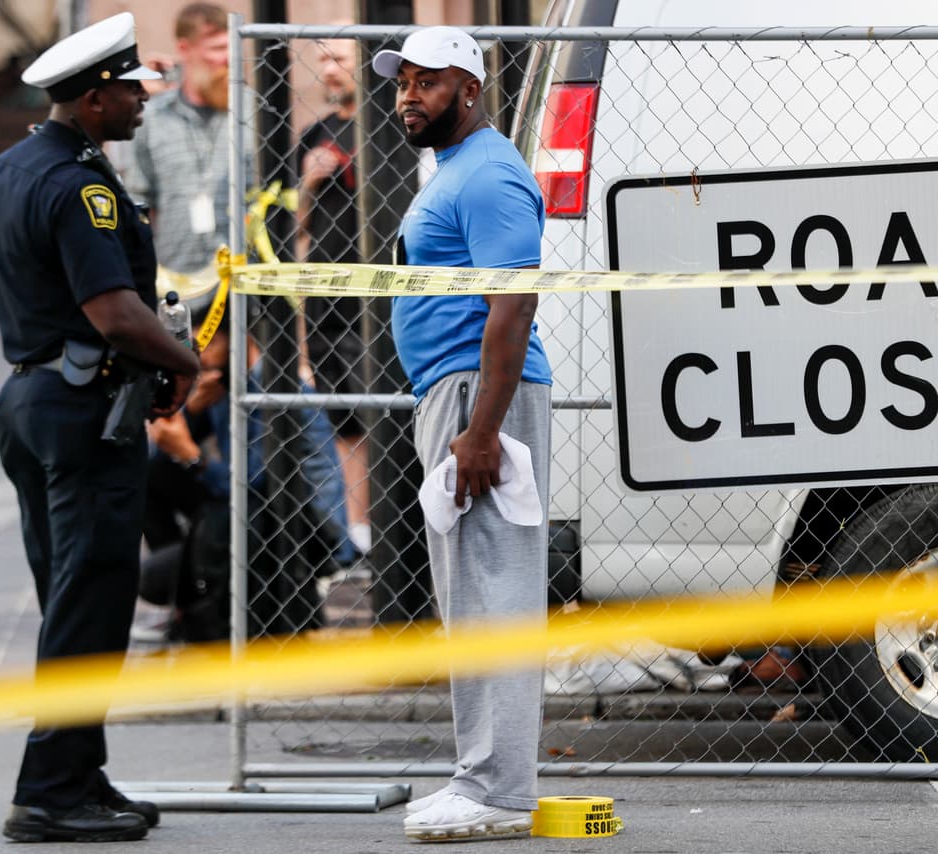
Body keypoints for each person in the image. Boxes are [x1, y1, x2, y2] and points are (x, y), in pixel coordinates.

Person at [0, 13, 201, 843]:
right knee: (89, 602)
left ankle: (79, 774)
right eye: (131, 91)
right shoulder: (81, 185)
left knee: (72, 599)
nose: (141, 103)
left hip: (29, 406)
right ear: (96, 97)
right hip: (82, 414)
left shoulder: (7, 170)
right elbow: (113, 313)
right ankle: (48, 794)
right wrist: (183, 359)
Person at [371, 26, 552, 842]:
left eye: (428, 81)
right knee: (472, 595)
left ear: (470, 90)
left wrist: (482, 431)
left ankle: (500, 793)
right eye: (403, 79)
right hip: (455, 394)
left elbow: (513, 306)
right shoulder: (455, 171)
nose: (408, 93)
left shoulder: (486, 175)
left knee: (495, 594)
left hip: (481, 400)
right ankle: (480, 776)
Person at [140, 296, 357, 641]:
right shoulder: (222, 384)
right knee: (152, 476)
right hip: (247, 513)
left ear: (238, 338)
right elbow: (160, 461)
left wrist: (192, 456)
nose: (199, 356)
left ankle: (209, 603)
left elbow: (253, 490)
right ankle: (198, 600)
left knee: (152, 577)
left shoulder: (272, 389)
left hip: (299, 530)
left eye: (206, 344)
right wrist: (191, 413)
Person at [296, 31, 371, 557]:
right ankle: (357, 533)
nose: (329, 70)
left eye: (339, 58)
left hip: (373, 293)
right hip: (325, 294)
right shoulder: (314, 134)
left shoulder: (386, 128)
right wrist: (308, 181)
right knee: (341, 416)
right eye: (322, 59)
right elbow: (294, 223)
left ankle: (381, 528)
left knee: (375, 412)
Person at [122, 2, 233, 274]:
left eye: (232, 46)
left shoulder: (251, 111)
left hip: (247, 284)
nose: (228, 57)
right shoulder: (153, 116)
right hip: (180, 280)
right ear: (185, 49)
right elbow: (139, 198)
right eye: (217, 48)